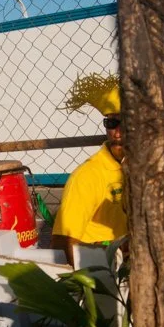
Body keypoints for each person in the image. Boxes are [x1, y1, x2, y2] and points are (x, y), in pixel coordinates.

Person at [52, 74, 128, 265]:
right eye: (111, 123)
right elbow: (62, 243)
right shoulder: (87, 176)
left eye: (127, 122)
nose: (117, 132)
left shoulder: (155, 168)